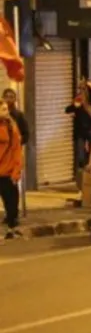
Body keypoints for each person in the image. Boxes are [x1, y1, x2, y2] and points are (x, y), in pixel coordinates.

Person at [0, 101, 24, 240]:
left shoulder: (11, 127)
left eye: (6, 109)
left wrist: (16, 171)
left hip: (8, 173)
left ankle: (11, 228)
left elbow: (16, 150)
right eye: (3, 110)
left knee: (12, 203)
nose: (6, 112)